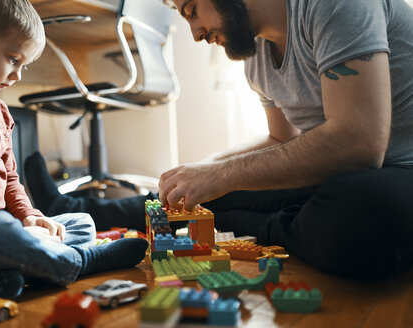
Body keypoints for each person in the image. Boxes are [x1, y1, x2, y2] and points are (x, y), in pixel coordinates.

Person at [25, 0, 413, 280]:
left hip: (395, 171)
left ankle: (255, 226)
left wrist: (224, 176)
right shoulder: (256, 54)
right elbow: (281, 138)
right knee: (207, 186)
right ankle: (74, 206)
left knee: (367, 209)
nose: (194, 33)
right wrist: (206, 171)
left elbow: (358, 144)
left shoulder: (335, 5)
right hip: (340, 174)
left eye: (192, 9)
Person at [0, 0, 147, 300]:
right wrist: (13, 229)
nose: (18, 75)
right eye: (13, 59)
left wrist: (29, 217)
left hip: (1, 230)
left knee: (82, 223)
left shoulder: (0, 111)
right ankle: (80, 261)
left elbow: (10, 181)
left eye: (24, 65)